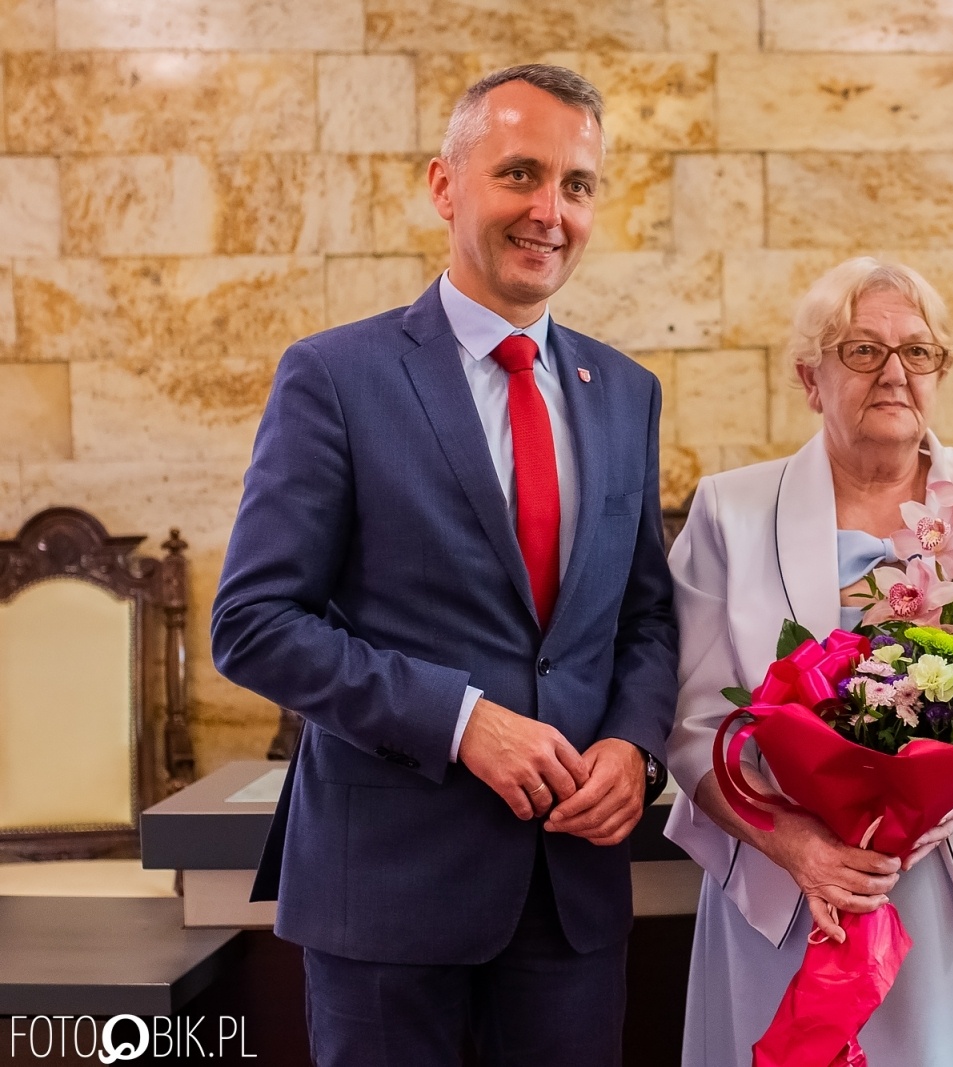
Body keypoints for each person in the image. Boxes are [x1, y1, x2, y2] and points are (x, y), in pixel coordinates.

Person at [210, 65, 677, 1067]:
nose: (551, 212)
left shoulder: (625, 392)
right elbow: (253, 621)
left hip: (571, 896)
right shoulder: (335, 376)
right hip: (387, 899)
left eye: (578, 184)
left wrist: (635, 748)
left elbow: (643, 616)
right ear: (444, 185)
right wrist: (462, 721)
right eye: (520, 173)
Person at [663, 257, 953, 1067]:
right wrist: (798, 846)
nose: (893, 372)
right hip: (781, 891)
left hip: (942, 888)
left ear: (939, 373)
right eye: (860, 350)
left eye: (917, 353)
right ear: (810, 378)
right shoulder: (730, 512)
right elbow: (691, 726)